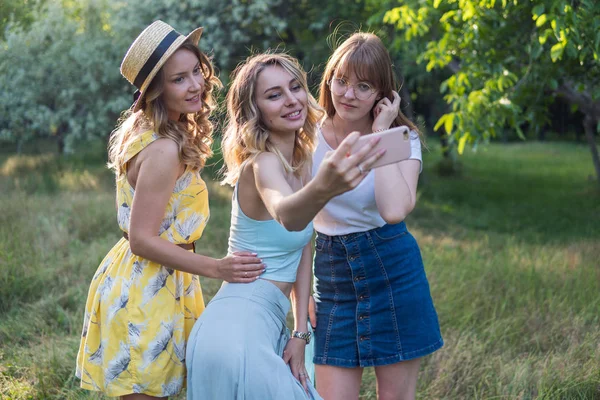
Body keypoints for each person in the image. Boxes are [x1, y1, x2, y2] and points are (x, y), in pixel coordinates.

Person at [75, 20, 265, 399]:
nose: (196, 84)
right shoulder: (163, 149)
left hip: (163, 281)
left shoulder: (155, 131)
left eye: (196, 71)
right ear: (157, 90)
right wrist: (217, 267)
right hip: (146, 288)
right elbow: (141, 240)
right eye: (180, 79)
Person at [185, 52, 383, 399]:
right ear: (254, 109)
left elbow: (303, 243)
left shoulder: (300, 162)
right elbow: (288, 214)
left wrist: (300, 331)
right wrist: (327, 186)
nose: (291, 100)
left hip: (268, 324)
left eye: (295, 88)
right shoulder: (261, 165)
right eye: (274, 95)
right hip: (236, 327)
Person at [308, 32, 444, 400]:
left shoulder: (401, 138)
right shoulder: (306, 136)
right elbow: (294, 218)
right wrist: (300, 292)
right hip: (333, 278)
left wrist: (380, 134)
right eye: (341, 80)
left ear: (383, 94)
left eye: (363, 86)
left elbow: (394, 210)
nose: (348, 94)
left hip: (393, 272)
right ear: (328, 79)